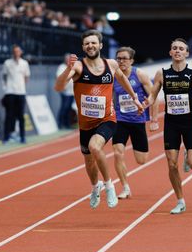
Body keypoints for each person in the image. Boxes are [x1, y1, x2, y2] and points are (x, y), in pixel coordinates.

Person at [54, 30, 144, 209]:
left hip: (107, 118)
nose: (90, 46)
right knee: (88, 161)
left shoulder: (110, 64)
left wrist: (134, 98)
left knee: (96, 147)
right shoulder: (78, 67)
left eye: (93, 43)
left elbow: (123, 79)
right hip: (85, 123)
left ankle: (109, 185)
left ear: (100, 45)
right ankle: (96, 187)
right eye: (87, 43)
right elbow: (58, 87)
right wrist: (67, 68)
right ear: (83, 47)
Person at [149, 38, 192, 214]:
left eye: (181, 49)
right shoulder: (162, 73)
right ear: (170, 53)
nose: (177, 51)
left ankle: (188, 153)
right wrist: (147, 107)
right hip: (171, 123)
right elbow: (153, 96)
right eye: (174, 48)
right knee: (171, 164)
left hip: (190, 123)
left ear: (187, 53)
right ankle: (180, 200)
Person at [111, 46, 155, 199]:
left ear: (131, 60)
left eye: (124, 58)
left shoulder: (140, 75)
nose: (121, 61)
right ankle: (125, 187)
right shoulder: (114, 76)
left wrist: (153, 119)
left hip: (138, 120)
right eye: (118, 58)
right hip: (120, 120)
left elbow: (153, 96)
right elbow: (111, 97)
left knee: (141, 160)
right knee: (117, 153)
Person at [2, 44, 30, 144]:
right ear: (12, 53)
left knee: (21, 116)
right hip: (10, 92)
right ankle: (6, 137)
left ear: (21, 52)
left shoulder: (25, 63)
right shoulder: (7, 63)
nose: (16, 53)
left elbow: (27, 77)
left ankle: (22, 137)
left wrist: (21, 85)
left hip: (21, 92)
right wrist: (6, 88)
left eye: (18, 51)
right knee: (9, 115)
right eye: (14, 51)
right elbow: (4, 76)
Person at [56, 53, 75, 129]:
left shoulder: (73, 67)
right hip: (65, 91)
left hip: (71, 91)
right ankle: (60, 124)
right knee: (64, 107)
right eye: (67, 58)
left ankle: (67, 124)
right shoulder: (61, 67)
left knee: (69, 108)